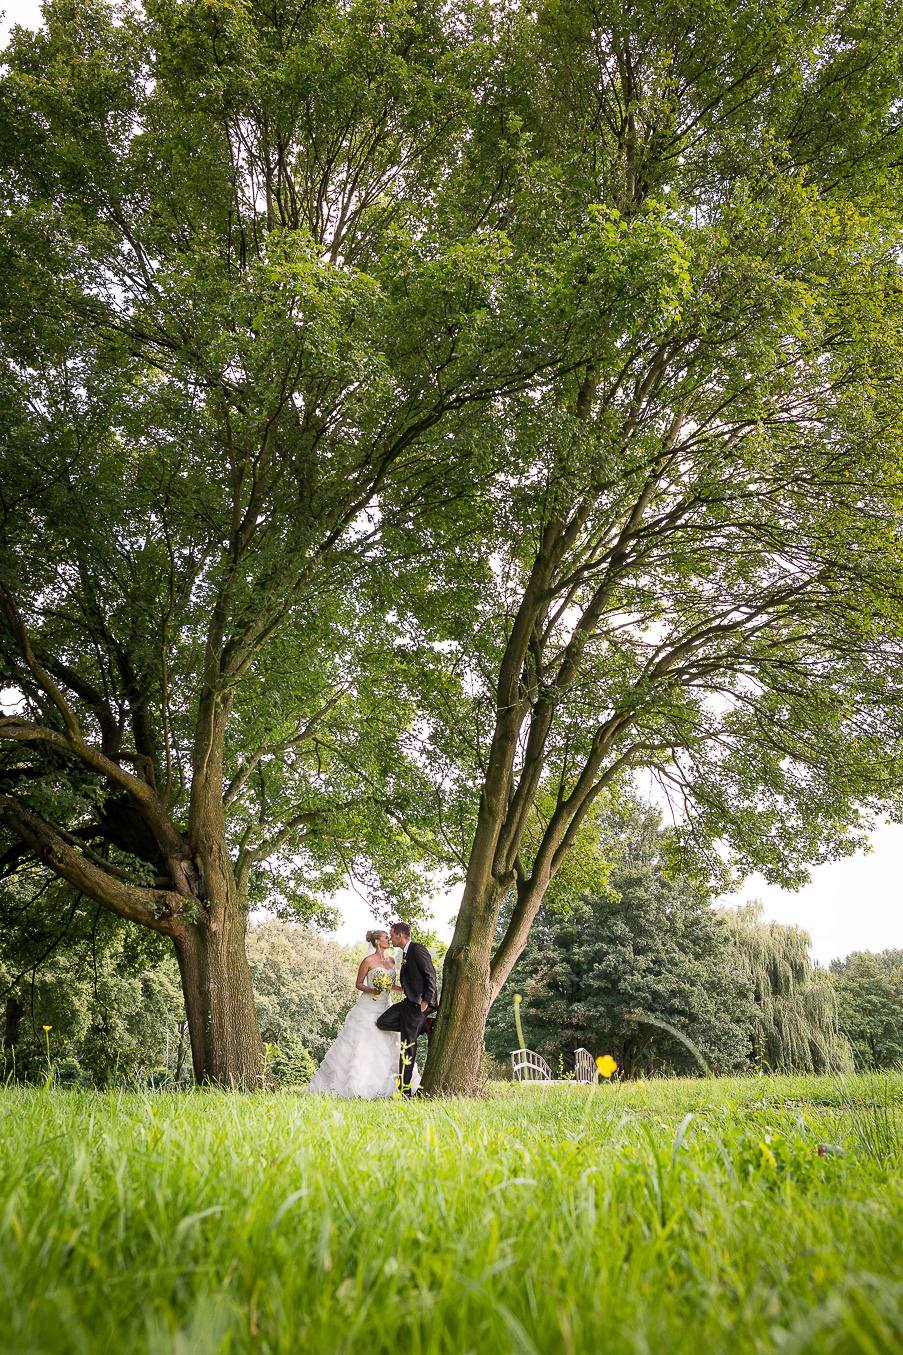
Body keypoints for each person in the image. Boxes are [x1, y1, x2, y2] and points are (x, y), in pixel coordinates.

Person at [306, 929, 421, 1098]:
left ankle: (395, 1086)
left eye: (389, 937)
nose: (389, 940)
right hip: (368, 1007)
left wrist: (407, 991)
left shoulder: (391, 960)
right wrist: (371, 990)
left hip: (386, 1007)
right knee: (363, 1045)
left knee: (392, 1043)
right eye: (386, 938)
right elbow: (358, 984)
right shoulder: (368, 961)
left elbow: (392, 985)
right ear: (376, 942)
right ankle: (359, 1087)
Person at [375, 922, 438, 1096]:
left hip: (418, 1004)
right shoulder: (405, 952)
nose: (391, 938)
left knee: (407, 1045)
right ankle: (425, 1024)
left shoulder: (417, 949)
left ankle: (405, 1089)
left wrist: (426, 1000)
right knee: (383, 1022)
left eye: (392, 935)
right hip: (408, 1003)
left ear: (400, 936)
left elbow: (430, 974)